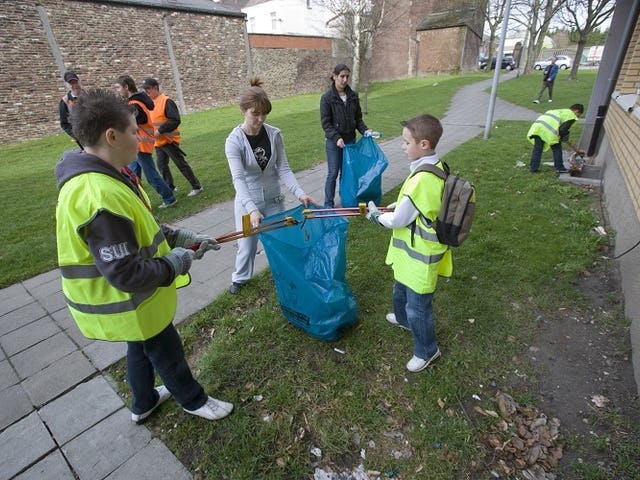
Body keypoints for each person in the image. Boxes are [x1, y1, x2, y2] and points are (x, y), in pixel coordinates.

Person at [55, 88, 233, 423]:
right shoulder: (98, 195)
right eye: (134, 132)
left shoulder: (108, 175)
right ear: (112, 136)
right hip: (126, 300)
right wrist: (176, 261)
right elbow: (126, 274)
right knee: (166, 351)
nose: (140, 138)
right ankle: (193, 400)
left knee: (139, 346)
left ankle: (144, 402)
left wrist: (182, 236)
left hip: (131, 305)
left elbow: (139, 226)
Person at [365, 114, 452, 373]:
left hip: (421, 257)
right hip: (410, 255)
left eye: (406, 143)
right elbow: (412, 203)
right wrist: (395, 205)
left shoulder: (423, 178)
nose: (402, 147)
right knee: (400, 289)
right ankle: (403, 320)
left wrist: (377, 216)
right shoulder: (429, 167)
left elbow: (400, 219)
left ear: (423, 144)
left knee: (419, 307)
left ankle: (427, 350)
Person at [225, 77, 317, 294]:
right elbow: (238, 179)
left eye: (264, 113)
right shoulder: (234, 141)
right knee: (247, 246)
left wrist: (300, 193)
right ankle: (240, 278)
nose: (260, 119)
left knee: (281, 241)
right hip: (248, 204)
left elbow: (283, 169)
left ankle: (286, 274)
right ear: (243, 111)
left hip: (274, 200)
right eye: (254, 113)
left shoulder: (274, 134)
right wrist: (252, 209)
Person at [114, 75, 177, 209]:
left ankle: (169, 197)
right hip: (136, 144)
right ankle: (138, 203)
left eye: (119, 87)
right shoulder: (134, 102)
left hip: (141, 143)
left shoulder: (134, 104)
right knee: (133, 176)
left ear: (126, 87)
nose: (117, 90)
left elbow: (138, 120)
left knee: (151, 175)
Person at [320, 63, 372, 208]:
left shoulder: (353, 96)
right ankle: (328, 204)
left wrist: (365, 131)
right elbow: (326, 124)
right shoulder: (327, 98)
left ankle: (346, 200)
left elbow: (358, 119)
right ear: (334, 76)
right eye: (341, 76)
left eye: (347, 77)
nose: (344, 80)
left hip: (350, 140)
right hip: (334, 142)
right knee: (333, 173)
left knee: (347, 173)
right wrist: (336, 138)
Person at [140, 77, 203, 197]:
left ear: (155, 87)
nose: (146, 91)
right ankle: (170, 187)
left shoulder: (166, 101)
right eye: (145, 89)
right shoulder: (151, 103)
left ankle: (197, 186)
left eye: (148, 89)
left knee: (181, 164)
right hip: (159, 142)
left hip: (169, 140)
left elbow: (175, 120)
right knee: (162, 166)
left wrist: (161, 130)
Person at [527, 103, 585, 174]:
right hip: (549, 130)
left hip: (537, 128)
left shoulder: (561, 111)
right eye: (579, 115)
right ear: (576, 111)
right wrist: (564, 138)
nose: (578, 117)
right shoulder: (571, 116)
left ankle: (533, 169)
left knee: (537, 149)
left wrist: (565, 139)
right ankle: (559, 168)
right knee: (557, 148)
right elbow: (562, 130)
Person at [59, 71, 85, 149]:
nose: (74, 85)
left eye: (75, 82)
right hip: (81, 137)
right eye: (71, 83)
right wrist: (76, 136)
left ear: (79, 81)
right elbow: (64, 124)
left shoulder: (90, 95)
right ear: (67, 85)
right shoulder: (64, 101)